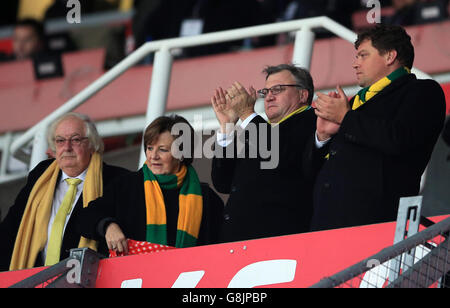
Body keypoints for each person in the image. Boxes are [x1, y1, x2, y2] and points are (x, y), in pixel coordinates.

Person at [306, 24, 446, 231]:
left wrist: (346, 118)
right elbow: (310, 172)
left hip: (376, 222)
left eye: (363, 55)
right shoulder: (353, 103)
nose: (355, 64)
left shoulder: (422, 91)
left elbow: (399, 139)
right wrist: (323, 136)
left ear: (390, 56)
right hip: (322, 224)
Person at [0, 113, 129, 271]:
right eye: (60, 140)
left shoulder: (117, 179)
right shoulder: (40, 175)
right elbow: (11, 228)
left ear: (92, 144)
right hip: (35, 279)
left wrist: (108, 225)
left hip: (90, 279)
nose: (67, 147)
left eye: (75, 140)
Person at [77, 115, 224, 254]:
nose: (153, 156)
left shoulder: (207, 199)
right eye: (149, 148)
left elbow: (222, 248)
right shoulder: (126, 186)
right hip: (132, 278)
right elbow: (84, 217)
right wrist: (108, 226)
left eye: (162, 149)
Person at [211, 64, 316, 243]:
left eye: (277, 90)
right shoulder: (262, 130)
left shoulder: (312, 122)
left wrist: (247, 114)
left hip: (279, 241)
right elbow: (223, 182)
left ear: (302, 95)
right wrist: (227, 126)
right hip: (239, 242)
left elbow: (280, 155)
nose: (269, 97)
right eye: (265, 92)